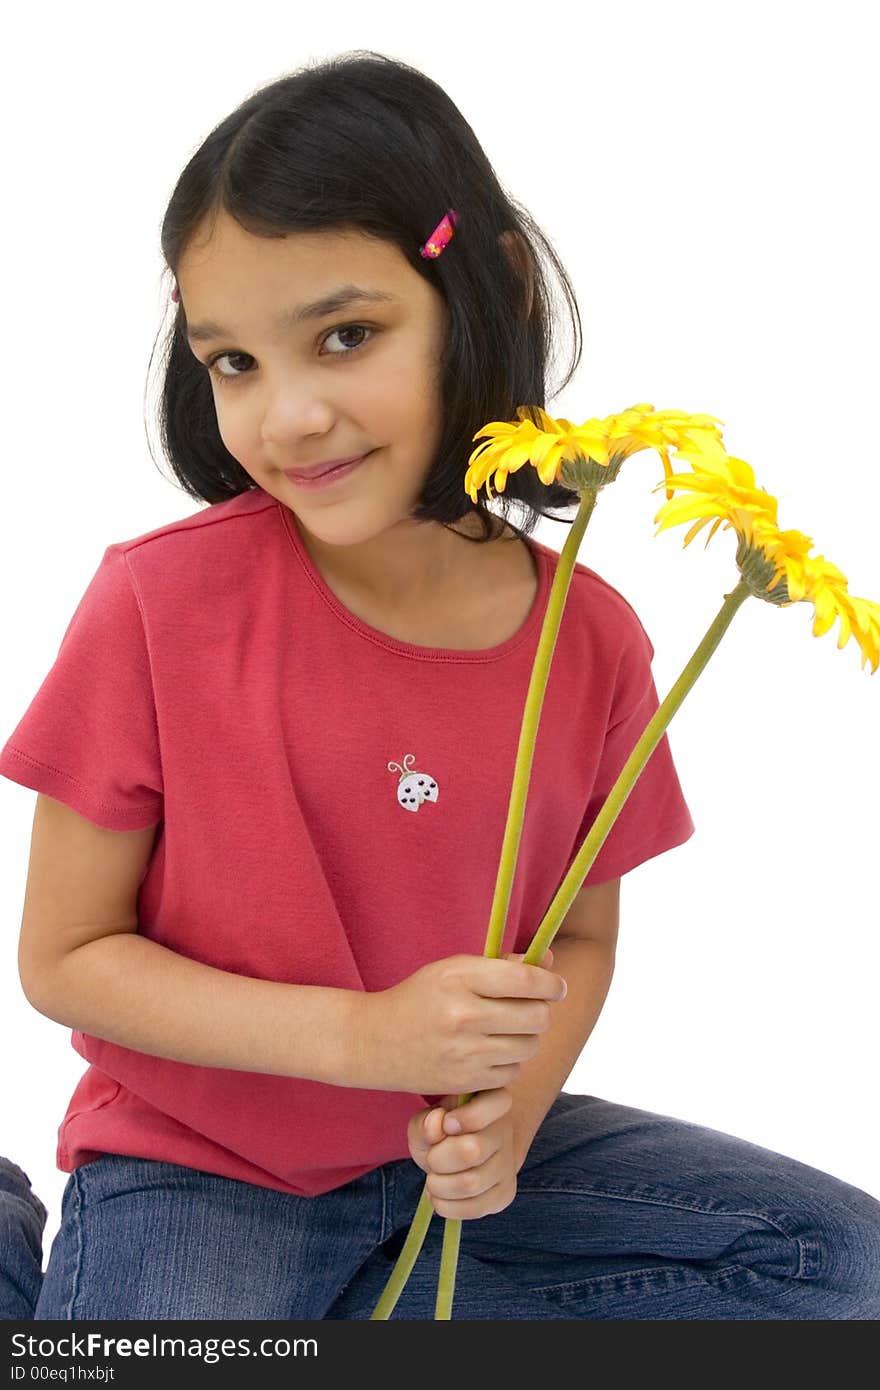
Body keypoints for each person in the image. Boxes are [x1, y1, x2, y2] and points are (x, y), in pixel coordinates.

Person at [2, 50, 879, 1322]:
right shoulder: (159, 603)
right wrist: (362, 1041)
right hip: (201, 1167)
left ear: (487, 290)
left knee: (837, 1267)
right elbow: (65, 956)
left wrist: (509, 1120)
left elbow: (574, 930)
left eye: (345, 336)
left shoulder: (593, 637)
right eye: (233, 361)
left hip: (445, 1169)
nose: (287, 415)